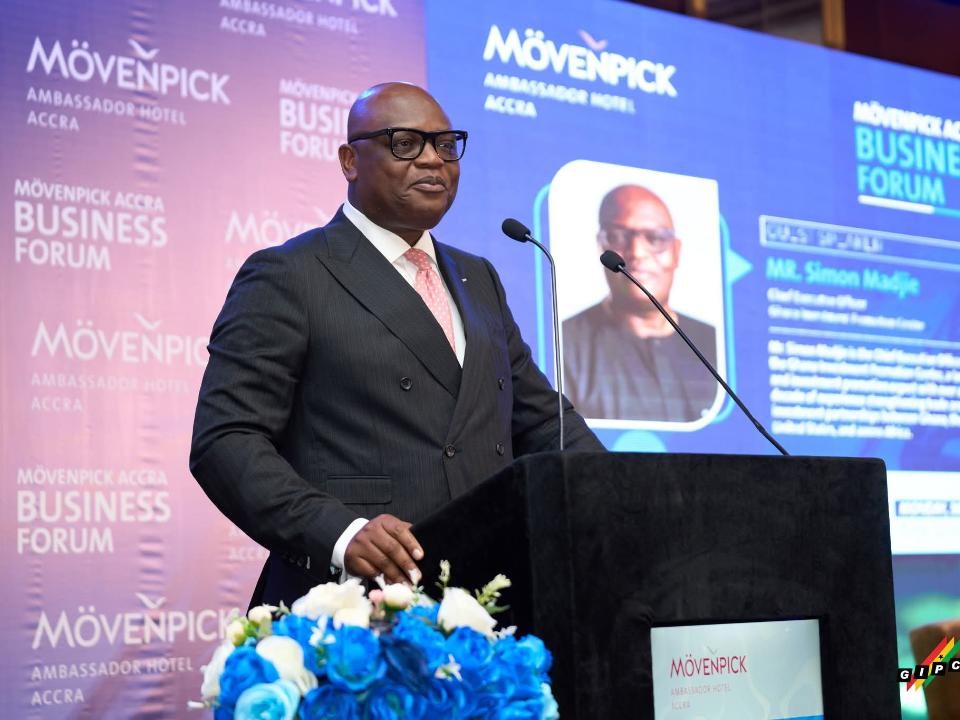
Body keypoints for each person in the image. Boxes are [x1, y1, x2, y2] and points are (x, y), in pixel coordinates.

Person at [190, 82, 602, 608]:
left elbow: (544, 425)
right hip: (354, 606)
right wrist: (340, 533)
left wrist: (619, 494)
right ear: (349, 161)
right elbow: (227, 439)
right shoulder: (290, 274)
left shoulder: (478, 278)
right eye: (405, 143)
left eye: (446, 145)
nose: (433, 160)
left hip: (487, 598)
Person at [562, 184, 718, 422]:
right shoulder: (565, 343)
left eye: (654, 238)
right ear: (600, 246)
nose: (636, 252)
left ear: (676, 252)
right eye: (618, 237)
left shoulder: (711, 343)